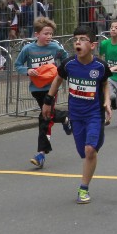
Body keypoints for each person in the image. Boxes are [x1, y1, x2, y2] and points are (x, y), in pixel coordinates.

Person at [40, 24, 111, 204]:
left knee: (89, 150)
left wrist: (107, 101)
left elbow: (105, 83)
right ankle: (68, 123)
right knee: (83, 152)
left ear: (92, 45)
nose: (77, 42)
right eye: (75, 40)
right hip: (75, 114)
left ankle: (83, 189)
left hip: (94, 114)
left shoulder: (100, 67)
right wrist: (48, 101)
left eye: (82, 39)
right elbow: (58, 79)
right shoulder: (69, 64)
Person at [15, 17, 69, 169]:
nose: (49, 36)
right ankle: (66, 117)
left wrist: (60, 72)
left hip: (51, 87)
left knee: (45, 118)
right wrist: (28, 71)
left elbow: (66, 60)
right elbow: (17, 65)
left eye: (51, 34)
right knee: (48, 115)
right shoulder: (28, 49)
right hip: (36, 89)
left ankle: (40, 154)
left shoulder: (55, 47)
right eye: (46, 33)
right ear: (37, 34)